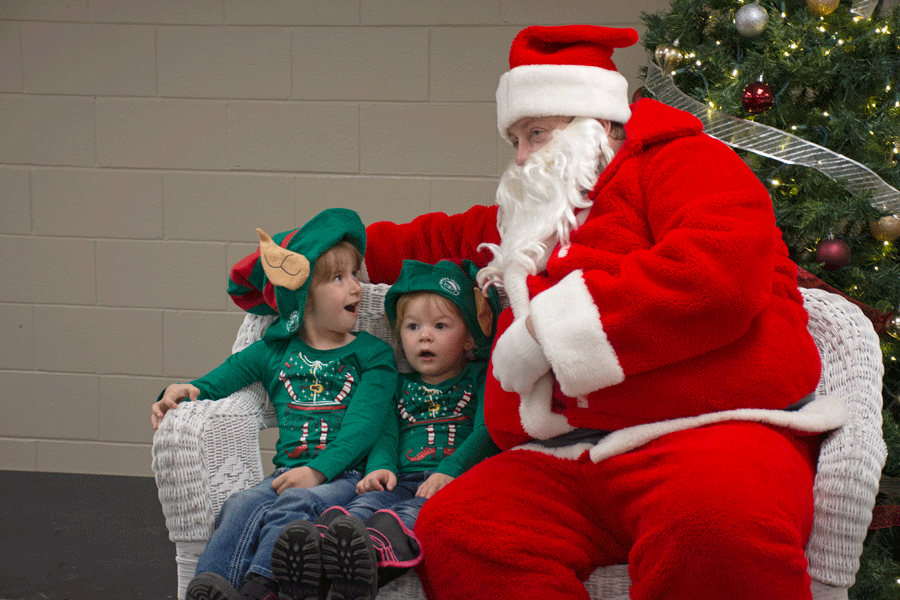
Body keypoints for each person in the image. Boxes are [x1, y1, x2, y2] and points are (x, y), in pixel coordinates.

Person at [358, 25, 847, 600]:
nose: (521, 157)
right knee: (460, 528)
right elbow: (429, 239)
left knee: (716, 525)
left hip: (709, 430)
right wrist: (309, 257)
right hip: (565, 454)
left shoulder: (684, 160)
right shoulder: (540, 211)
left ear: (596, 123)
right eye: (514, 139)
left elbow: (719, 269)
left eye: (535, 134)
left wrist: (547, 335)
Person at [151, 208, 397, 600]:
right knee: (242, 503)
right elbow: (223, 377)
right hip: (288, 473)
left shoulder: (373, 354)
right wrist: (184, 390)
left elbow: (364, 427)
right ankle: (211, 586)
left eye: (355, 274)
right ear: (305, 293)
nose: (357, 288)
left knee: (295, 503)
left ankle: (261, 589)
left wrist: (317, 471)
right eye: (339, 278)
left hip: (347, 478)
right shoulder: (275, 351)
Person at [269, 259, 501, 600]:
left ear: (468, 338)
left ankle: (362, 559)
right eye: (412, 326)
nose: (424, 335)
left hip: (455, 483)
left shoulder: (480, 377)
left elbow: (486, 431)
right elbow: (386, 431)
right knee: (365, 506)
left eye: (440, 326)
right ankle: (317, 556)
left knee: (408, 516)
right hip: (402, 480)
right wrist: (380, 467)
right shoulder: (399, 383)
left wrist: (451, 470)